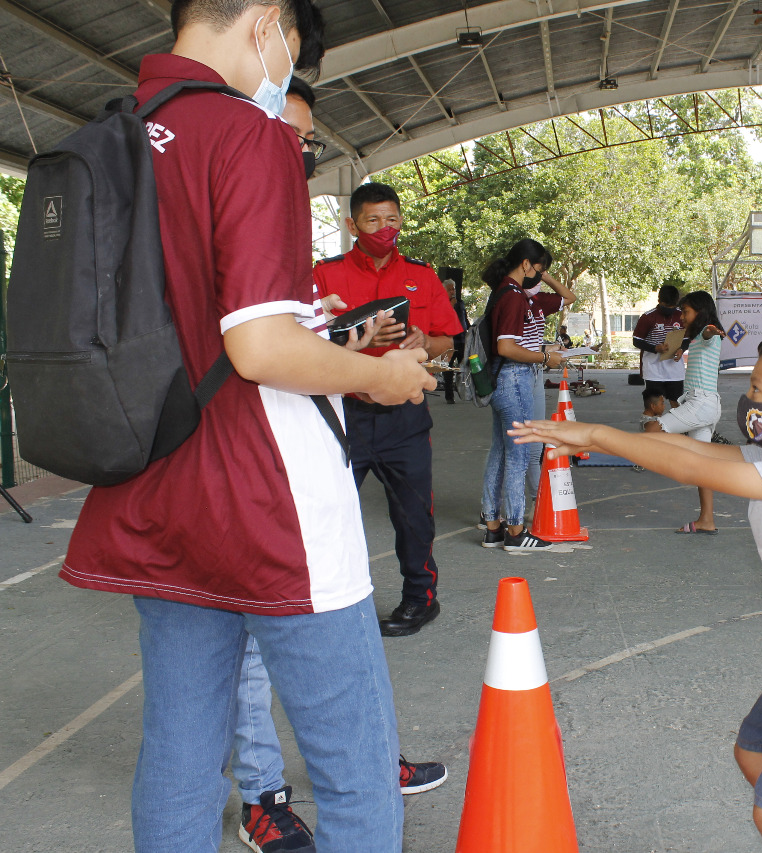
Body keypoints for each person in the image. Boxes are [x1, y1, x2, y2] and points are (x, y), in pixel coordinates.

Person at [58, 4, 438, 851]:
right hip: (270, 501)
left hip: (154, 483)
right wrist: (383, 373)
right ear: (267, 22)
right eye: (291, 49)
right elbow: (259, 348)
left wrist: (302, 325)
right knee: (355, 765)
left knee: (183, 755)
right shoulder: (250, 134)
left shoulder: (120, 134)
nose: (282, 71)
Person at [510, 329, 762, 853]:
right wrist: (587, 432)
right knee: (754, 757)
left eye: (757, 390)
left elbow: (692, 467)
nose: (748, 401)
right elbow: (688, 448)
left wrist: (596, 436)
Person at [312, 182, 462, 637]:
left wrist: (424, 341)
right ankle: (323, 603)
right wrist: (352, 342)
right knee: (324, 513)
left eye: (392, 219)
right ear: (352, 223)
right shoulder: (324, 274)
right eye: (373, 220)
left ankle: (421, 599)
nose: (384, 228)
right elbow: (300, 338)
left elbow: (447, 340)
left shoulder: (422, 275)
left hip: (405, 416)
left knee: (414, 514)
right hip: (342, 414)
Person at [479, 239, 576, 552]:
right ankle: (516, 531)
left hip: (501, 381)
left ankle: (493, 526)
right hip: (513, 380)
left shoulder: (509, 292)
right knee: (519, 456)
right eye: (538, 268)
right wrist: (545, 358)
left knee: (500, 452)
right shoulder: (513, 296)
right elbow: (506, 347)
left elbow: (567, 298)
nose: (539, 274)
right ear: (525, 264)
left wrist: (543, 276)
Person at [644, 290, 724, 535]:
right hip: (704, 405)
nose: (682, 317)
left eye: (686, 312)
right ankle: (707, 520)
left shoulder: (707, 334)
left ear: (700, 311)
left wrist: (711, 330)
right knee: (702, 467)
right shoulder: (695, 337)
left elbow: (710, 332)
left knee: (651, 429)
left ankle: (673, 459)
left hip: (701, 404)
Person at [633, 284, 686, 409]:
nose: (670, 309)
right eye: (667, 306)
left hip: (674, 370)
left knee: (676, 403)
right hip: (653, 370)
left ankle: (678, 428)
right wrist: (655, 348)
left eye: (673, 306)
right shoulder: (648, 317)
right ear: (659, 301)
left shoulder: (681, 316)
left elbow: (687, 339)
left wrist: (682, 349)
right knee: (654, 405)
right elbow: (636, 341)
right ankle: (653, 426)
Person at [440, 267, 469, 404]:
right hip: (449, 341)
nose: (453, 292)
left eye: (454, 289)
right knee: (447, 369)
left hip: (462, 340)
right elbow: (442, 320)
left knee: (466, 366)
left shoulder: (460, 303)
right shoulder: (442, 304)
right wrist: (450, 307)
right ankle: (449, 396)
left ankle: (467, 391)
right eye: (450, 289)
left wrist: (470, 330)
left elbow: (465, 320)